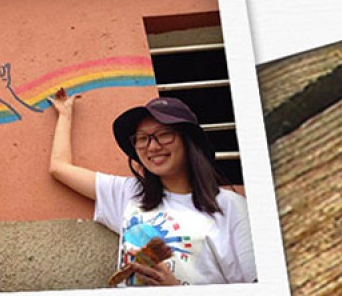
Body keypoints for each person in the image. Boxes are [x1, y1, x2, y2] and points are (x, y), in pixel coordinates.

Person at [48, 89, 255, 286]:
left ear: (188, 140)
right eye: (143, 139)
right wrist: (65, 114)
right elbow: (59, 168)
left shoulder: (231, 207)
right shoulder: (128, 193)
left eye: (164, 134)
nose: (153, 147)